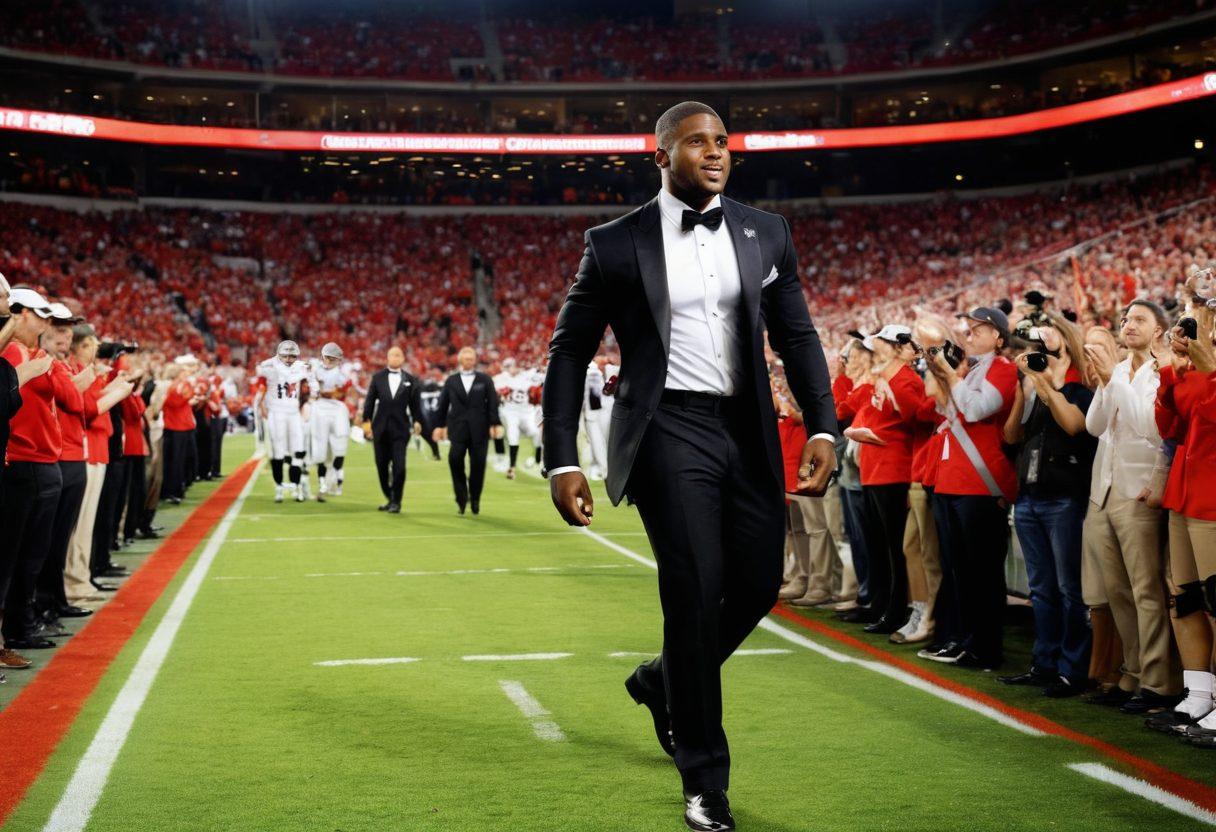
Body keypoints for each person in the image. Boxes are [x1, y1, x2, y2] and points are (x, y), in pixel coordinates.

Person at [541, 102, 836, 831]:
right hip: (666, 429)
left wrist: (826, 424)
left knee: (761, 584)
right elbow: (569, 350)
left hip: (748, 428)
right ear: (661, 154)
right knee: (695, 595)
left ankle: (659, 682)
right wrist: (558, 458)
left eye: (723, 142)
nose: (715, 152)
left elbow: (797, 337)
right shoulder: (614, 243)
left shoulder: (767, 231)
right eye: (697, 142)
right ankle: (704, 778)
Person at [1083, 299, 1178, 715]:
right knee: (1118, 589)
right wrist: (1108, 382)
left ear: (1159, 330)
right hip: (1105, 488)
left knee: (1146, 588)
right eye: (1125, 318)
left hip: (1140, 490)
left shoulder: (1163, 370)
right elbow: (1094, 426)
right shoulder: (1121, 370)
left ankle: (1159, 681)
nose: (1128, 324)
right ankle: (1135, 669)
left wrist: (1113, 381)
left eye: (1139, 319)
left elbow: (1152, 427)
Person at [999, 314, 1097, 697]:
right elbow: (1010, 436)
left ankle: (1072, 669)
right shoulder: (1032, 389)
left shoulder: (1079, 390)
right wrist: (1023, 389)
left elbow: (1074, 426)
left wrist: (1044, 383)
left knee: (1069, 587)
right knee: (1040, 587)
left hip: (1065, 497)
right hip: (1030, 495)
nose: (1035, 358)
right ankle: (1044, 663)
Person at [920, 307, 1018, 670]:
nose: (971, 333)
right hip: (953, 478)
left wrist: (949, 374)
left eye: (981, 328)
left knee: (982, 571)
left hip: (980, 482)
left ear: (999, 337)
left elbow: (976, 410)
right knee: (958, 567)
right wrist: (942, 372)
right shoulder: (973, 370)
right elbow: (947, 411)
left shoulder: (1005, 370)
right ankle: (964, 638)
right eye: (971, 327)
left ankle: (985, 646)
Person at [1156, 290, 1216, 742]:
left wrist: (1208, 367)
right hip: (1185, 489)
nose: (1196, 326)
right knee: (1187, 597)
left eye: (1205, 316)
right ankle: (1199, 693)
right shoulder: (1195, 366)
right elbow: (1172, 427)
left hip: (1211, 495)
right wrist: (1170, 377)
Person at [0, 287, 60, 654]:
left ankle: (21, 625)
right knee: (17, 556)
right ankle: (15, 629)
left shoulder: (29, 352)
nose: (44, 322)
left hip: (37, 459)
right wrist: (30, 370)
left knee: (30, 554)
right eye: (37, 314)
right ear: (19, 313)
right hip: (23, 460)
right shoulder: (12, 352)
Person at [433, 347, 502, 516]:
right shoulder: (451, 380)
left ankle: (475, 499)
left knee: (478, 466)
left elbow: (492, 403)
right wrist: (438, 426)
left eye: (471, 359)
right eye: (466, 359)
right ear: (460, 361)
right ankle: (461, 496)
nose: (469, 361)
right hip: (457, 429)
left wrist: (495, 423)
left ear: (475, 360)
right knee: (454, 460)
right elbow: (442, 404)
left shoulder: (485, 379)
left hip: (480, 429)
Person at [361, 345, 422, 513]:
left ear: (403, 359)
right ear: (387, 358)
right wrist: (366, 423)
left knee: (399, 467)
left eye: (398, 355)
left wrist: (417, 421)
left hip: (401, 430)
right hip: (379, 428)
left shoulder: (411, 379)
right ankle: (390, 497)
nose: (395, 358)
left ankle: (396, 501)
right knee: (381, 466)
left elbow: (416, 405)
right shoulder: (377, 377)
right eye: (392, 355)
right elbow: (370, 401)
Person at [256, 340, 312, 503]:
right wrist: (262, 408)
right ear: (278, 355)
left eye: (292, 356)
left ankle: (296, 485)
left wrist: (305, 407)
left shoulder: (302, 367)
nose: (288, 359)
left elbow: (306, 391)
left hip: (293, 412)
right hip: (276, 412)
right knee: (278, 451)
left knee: (298, 449)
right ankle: (279, 487)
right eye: (285, 356)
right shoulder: (267, 367)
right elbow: (260, 391)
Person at [311, 342, 353, 501]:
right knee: (320, 449)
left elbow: (338, 393)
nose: (328, 361)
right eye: (327, 357)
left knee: (339, 446)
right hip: (320, 408)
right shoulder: (314, 369)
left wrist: (323, 392)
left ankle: (336, 481)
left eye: (331, 358)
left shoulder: (343, 374)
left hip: (337, 409)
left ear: (338, 359)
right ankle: (323, 484)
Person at [496, 357, 542, 480]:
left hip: (527, 412)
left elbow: (539, 377)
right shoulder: (502, 378)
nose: (513, 369)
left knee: (537, 433)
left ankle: (538, 458)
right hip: (510, 412)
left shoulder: (528, 376)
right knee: (512, 435)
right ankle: (512, 467)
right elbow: (497, 389)